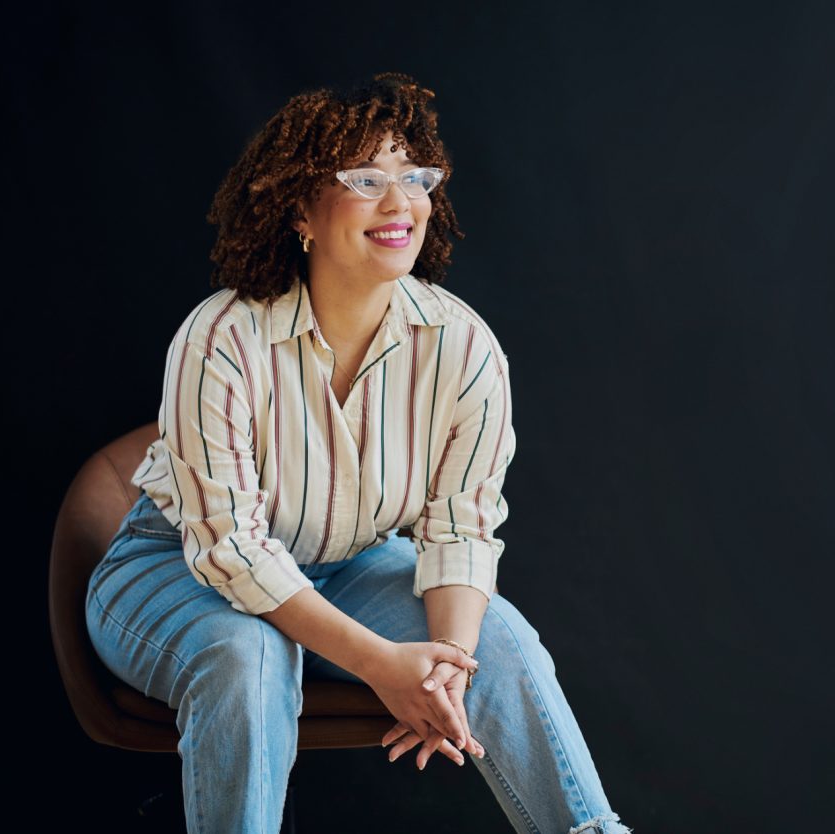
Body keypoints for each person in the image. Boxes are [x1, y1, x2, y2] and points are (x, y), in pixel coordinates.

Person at [84, 71, 632, 834]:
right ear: (302, 209)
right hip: (173, 568)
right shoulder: (220, 339)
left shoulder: (463, 344)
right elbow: (233, 549)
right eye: (366, 178)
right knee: (249, 655)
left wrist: (443, 666)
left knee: (497, 640)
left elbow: (461, 529)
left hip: (346, 567)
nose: (399, 201)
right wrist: (384, 666)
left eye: (415, 177)